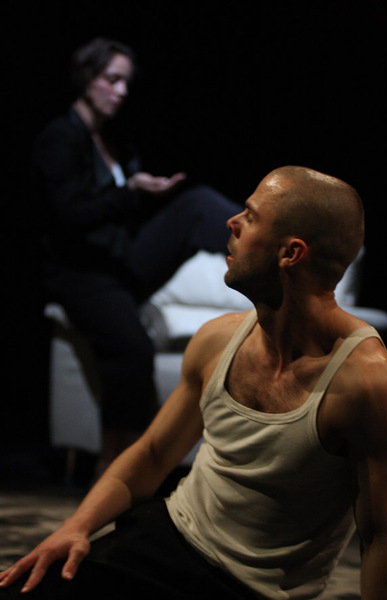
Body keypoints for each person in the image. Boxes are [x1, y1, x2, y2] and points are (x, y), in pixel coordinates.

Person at [2, 165, 387, 599]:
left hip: (250, 589)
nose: (231, 222)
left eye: (250, 216)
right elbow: (153, 454)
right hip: (162, 538)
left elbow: (382, 534)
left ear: (291, 253)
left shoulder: (369, 381)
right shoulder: (217, 339)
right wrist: (75, 527)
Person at [31, 37, 242, 476]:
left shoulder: (112, 139)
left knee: (197, 204)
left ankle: (270, 239)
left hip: (117, 262)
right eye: (112, 80)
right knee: (132, 349)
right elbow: (69, 214)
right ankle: (113, 467)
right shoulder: (61, 137)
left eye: (126, 82)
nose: (121, 91)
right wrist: (129, 191)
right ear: (87, 79)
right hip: (80, 271)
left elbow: (118, 215)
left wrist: (145, 194)